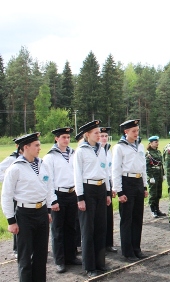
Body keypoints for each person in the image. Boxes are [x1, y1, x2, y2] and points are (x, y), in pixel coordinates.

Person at [1, 132, 58, 281]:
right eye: (37, 145)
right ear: (26, 147)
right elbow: (6, 196)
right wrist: (11, 221)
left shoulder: (42, 164)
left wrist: (48, 210)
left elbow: (48, 187)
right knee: (25, 256)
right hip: (24, 214)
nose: (40, 148)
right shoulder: (15, 168)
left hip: (41, 213)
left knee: (41, 254)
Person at [73, 120, 111, 278]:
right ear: (87, 134)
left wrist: (108, 192)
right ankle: (89, 266)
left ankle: (100, 263)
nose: (99, 135)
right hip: (87, 190)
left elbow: (105, 170)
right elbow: (77, 175)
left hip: (101, 189)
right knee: (88, 230)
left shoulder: (101, 149)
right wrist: (80, 197)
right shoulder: (80, 151)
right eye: (96, 132)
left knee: (101, 227)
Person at [42, 127, 82, 274]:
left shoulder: (73, 153)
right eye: (63, 137)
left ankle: (71, 256)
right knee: (58, 230)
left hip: (72, 193)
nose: (66, 139)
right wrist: (52, 200)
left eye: (68, 137)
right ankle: (59, 260)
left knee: (71, 227)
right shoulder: (50, 157)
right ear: (56, 139)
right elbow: (48, 181)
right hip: (58, 195)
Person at [112, 119, 149, 262]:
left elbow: (143, 167)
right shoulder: (119, 148)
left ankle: (136, 248)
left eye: (137, 131)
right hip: (127, 182)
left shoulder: (140, 146)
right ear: (125, 132)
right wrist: (120, 191)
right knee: (127, 219)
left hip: (138, 182)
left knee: (138, 218)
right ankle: (127, 251)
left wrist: (144, 186)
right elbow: (115, 170)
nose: (136, 133)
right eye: (133, 131)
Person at [98, 127, 118, 254]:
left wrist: (113, 186)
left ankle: (108, 243)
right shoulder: (96, 151)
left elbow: (112, 170)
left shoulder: (108, 150)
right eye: (102, 135)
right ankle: (100, 245)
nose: (104, 138)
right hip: (99, 185)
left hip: (109, 183)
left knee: (109, 215)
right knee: (100, 217)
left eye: (106, 136)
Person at [0, 143, 21, 259]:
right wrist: (10, 181)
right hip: (14, 197)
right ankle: (17, 248)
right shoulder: (12, 159)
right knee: (16, 222)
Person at [146, 136, 166, 218]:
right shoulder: (148, 153)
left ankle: (157, 209)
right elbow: (147, 166)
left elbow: (161, 165)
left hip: (159, 175)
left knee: (158, 193)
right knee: (153, 194)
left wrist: (163, 174)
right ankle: (153, 210)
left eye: (157, 141)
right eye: (155, 142)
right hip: (153, 176)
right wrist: (150, 177)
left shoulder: (158, 152)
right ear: (150, 143)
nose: (157, 143)